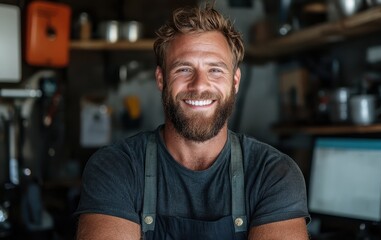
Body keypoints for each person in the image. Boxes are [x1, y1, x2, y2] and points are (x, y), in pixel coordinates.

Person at [75, 2, 310, 239]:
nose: (199, 85)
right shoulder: (116, 168)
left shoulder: (272, 174)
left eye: (215, 70)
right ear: (161, 79)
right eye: (184, 69)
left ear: (235, 82)